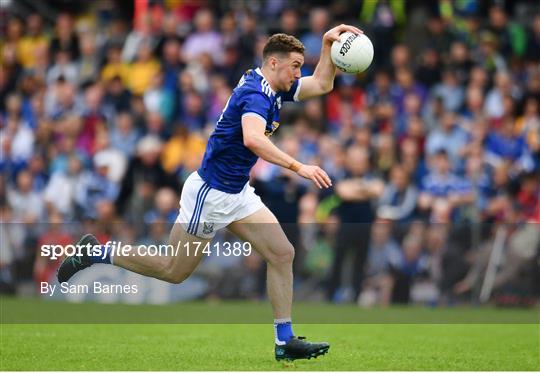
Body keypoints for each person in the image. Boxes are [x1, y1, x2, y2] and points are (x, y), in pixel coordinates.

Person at [57, 24, 363, 362]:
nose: (298, 73)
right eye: (295, 66)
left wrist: (329, 48)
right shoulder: (258, 94)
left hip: (237, 194)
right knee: (173, 270)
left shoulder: (273, 86)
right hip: (210, 195)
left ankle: (284, 340)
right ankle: (97, 253)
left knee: (281, 254)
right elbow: (253, 138)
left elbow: (321, 84)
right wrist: (299, 166)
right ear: (274, 63)